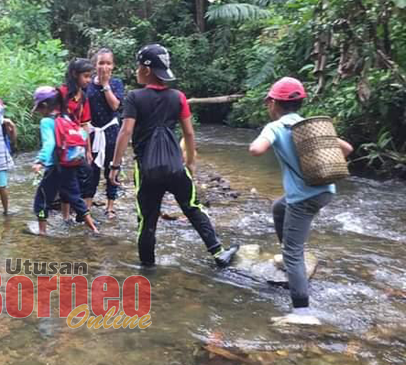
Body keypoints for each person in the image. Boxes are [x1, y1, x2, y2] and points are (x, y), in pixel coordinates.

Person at [109, 43, 239, 269]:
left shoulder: (134, 98)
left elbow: (126, 131)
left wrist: (115, 165)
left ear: (147, 70)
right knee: (192, 207)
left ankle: (147, 266)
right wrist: (190, 164)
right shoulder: (178, 97)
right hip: (175, 167)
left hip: (147, 170)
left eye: (139, 66)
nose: (137, 70)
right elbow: (189, 132)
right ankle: (218, 252)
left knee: (147, 218)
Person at [249, 77, 353, 325]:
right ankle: (288, 261)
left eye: (268, 103)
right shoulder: (309, 126)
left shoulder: (275, 127)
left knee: (294, 253)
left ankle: (302, 313)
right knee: (278, 207)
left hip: (303, 198)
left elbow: (256, 150)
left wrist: (258, 140)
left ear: (272, 102)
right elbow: (347, 149)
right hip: (325, 190)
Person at [31, 86, 98, 235]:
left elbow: (49, 144)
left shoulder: (47, 122)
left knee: (41, 201)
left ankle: (42, 231)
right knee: (76, 198)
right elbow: (83, 134)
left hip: (55, 168)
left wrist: (40, 161)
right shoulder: (66, 117)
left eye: (39, 108)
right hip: (71, 164)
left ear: (45, 106)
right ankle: (94, 229)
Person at [85, 48, 124, 218]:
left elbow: (115, 106)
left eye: (108, 63)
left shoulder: (116, 84)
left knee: (112, 169)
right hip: (93, 133)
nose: (104, 66)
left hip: (112, 132)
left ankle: (110, 205)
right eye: (101, 63)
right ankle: (87, 205)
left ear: (113, 65)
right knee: (91, 170)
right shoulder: (87, 85)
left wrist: (105, 85)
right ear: (95, 65)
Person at [59, 58, 95, 218]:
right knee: (66, 178)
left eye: (90, 76)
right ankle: (65, 216)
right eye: (86, 76)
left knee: (86, 173)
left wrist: (88, 150)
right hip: (62, 144)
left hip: (77, 145)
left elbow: (85, 125)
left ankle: (81, 212)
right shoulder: (61, 93)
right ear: (75, 74)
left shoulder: (84, 98)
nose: (88, 80)